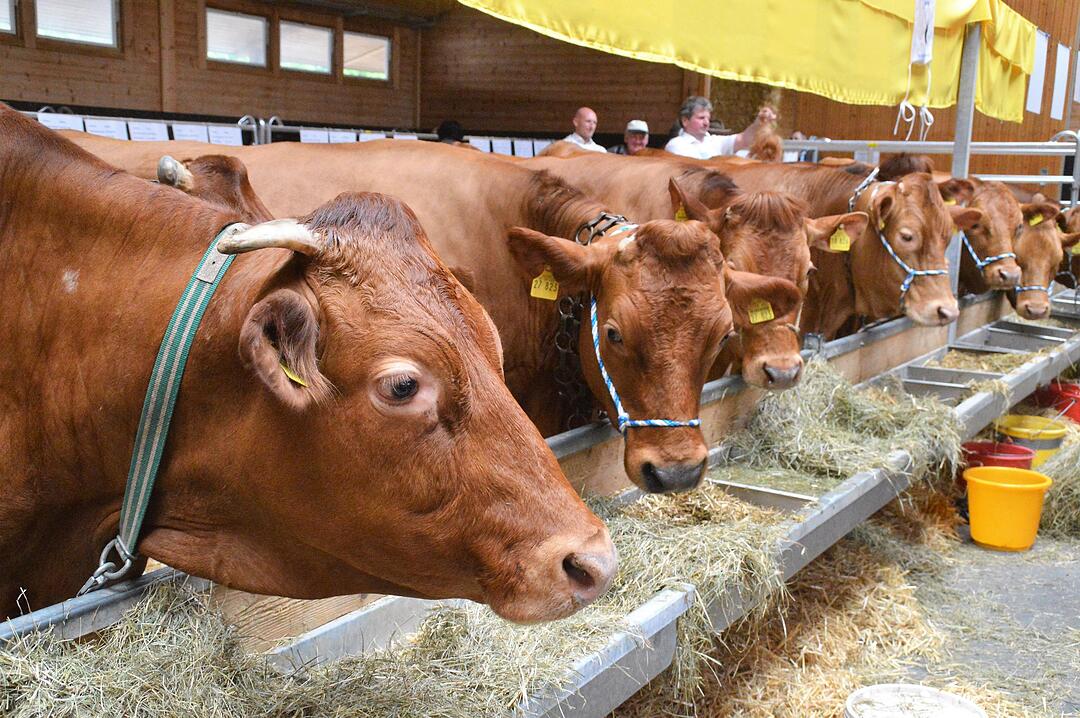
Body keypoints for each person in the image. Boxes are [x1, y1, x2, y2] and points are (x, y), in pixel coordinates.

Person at [665, 96, 777, 159]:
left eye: (708, 118)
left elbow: (743, 139)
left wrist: (758, 123)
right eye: (701, 118)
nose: (706, 123)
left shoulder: (713, 141)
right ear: (685, 120)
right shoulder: (676, 145)